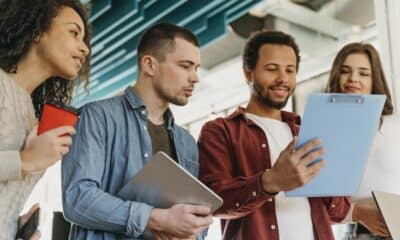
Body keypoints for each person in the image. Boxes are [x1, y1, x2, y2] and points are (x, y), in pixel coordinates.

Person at [62, 22, 213, 240]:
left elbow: (191, 216)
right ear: (149, 65)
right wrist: (153, 218)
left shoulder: (187, 142)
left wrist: (193, 232)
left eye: (196, 68)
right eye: (185, 66)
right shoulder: (96, 117)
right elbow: (77, 198)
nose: (195, 77)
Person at [198, 30, 351, 240]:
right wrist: (269, 182)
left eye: (290, 70)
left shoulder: (310, 133)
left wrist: (336, 179)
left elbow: (338, 212)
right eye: (272, 69)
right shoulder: (220, 131)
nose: (283, 79)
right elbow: (213, 202)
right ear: (248, 74)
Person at [0, 0, 91, 239]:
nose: (85, 49)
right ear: (38, 30)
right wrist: (25, 160)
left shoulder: (32, 116)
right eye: (74, 33)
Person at [326, 42, 400, 239]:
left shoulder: (395, 125)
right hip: (355, 232)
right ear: (336, 76)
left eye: (364, 73)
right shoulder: (324, 131)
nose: (353, 79)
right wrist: (356, 211)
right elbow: (317, 204)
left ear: (374, 79)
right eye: (345, 71)